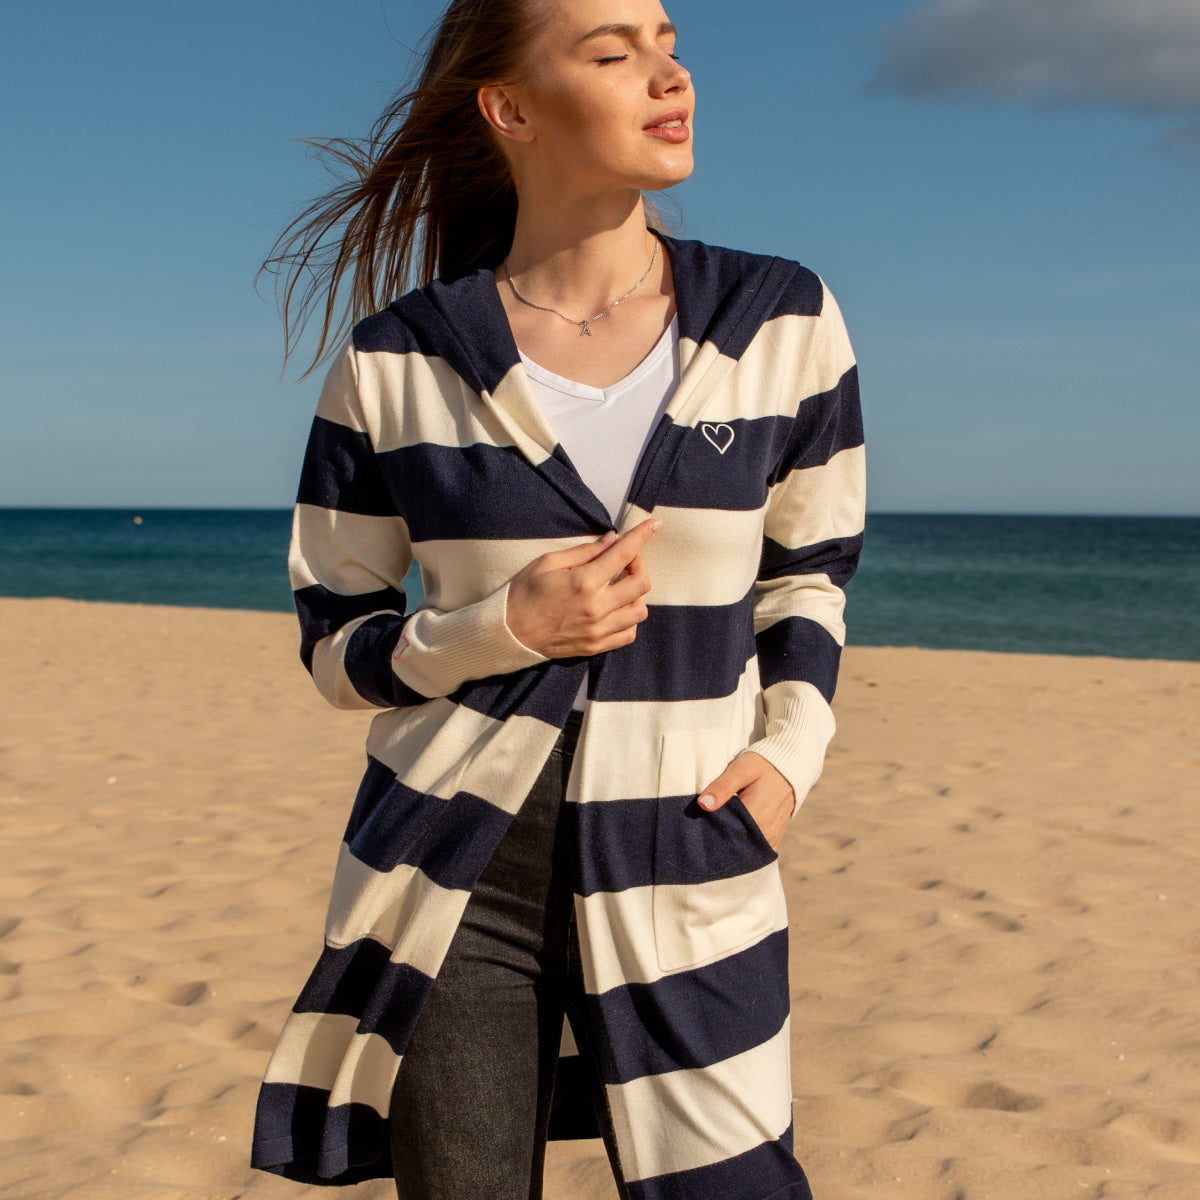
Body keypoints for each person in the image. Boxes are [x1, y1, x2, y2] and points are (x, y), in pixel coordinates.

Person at [250, 0, 865, 1197]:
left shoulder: (779, 320)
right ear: (512, 109)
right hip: (450, 870)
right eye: (613, 50)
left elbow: (809, 576)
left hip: (690, 845)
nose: (667, 71)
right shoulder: (397, 360)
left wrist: (791, 753)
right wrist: (501, 629)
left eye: (668, 40)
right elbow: (336, 643)